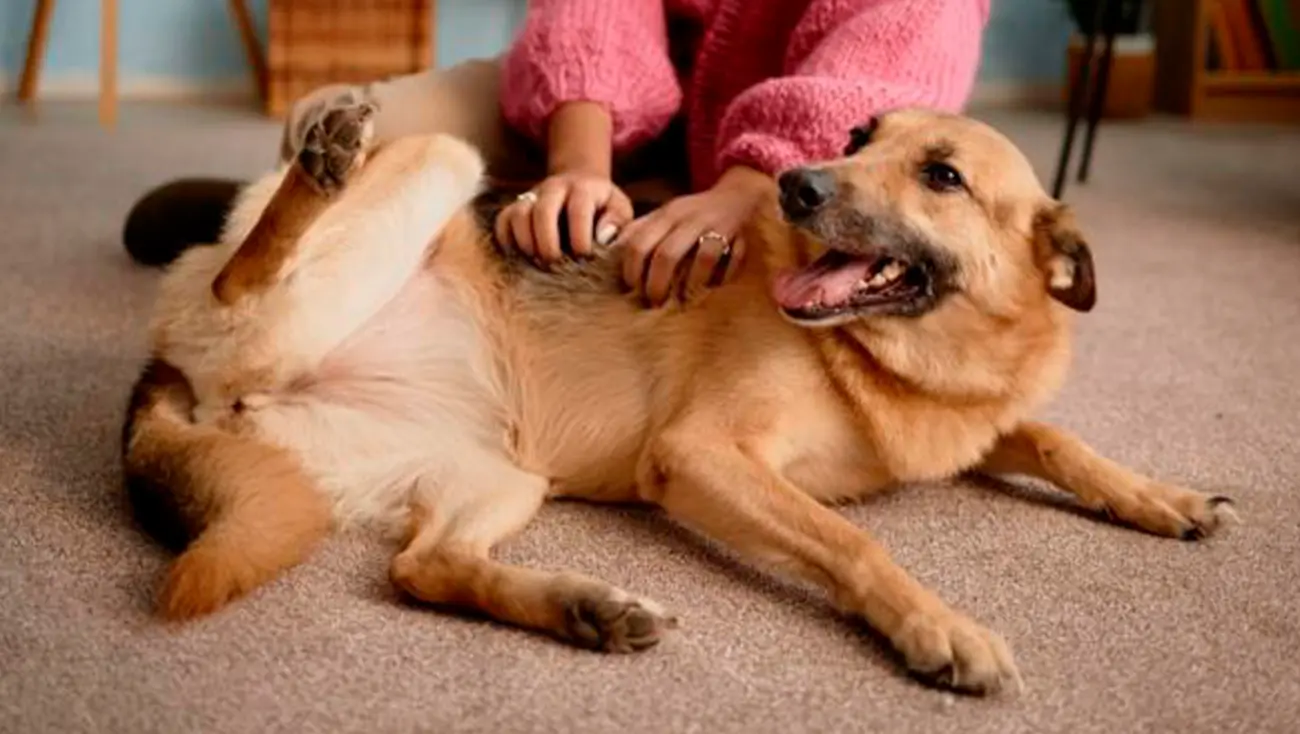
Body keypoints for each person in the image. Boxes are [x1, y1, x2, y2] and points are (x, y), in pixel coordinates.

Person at [122, 0, 989, 306]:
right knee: (325, 123)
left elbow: (892, 61)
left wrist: (746, 191)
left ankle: (430, 226)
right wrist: (580, 163)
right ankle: (303, 211)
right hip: (597, 107)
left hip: (781, 167)